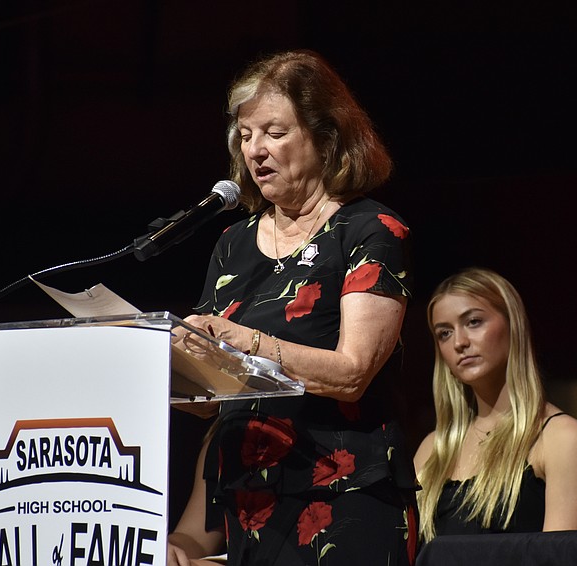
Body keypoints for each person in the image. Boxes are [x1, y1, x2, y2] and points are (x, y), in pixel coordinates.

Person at [167, 49, 419, 566]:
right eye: (245, 135)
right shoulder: (233, 245)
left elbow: (352, 375)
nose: (255, 150)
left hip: (342, 497)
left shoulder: (370, 231)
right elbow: (212, 400)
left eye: (274, 133)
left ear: (326, 138)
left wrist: (244, 341)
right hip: (248, 503)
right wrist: (172, 363)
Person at [413, 267, 577, 542]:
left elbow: (558, 558)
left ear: (513, 324)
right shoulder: (434, 448)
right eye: (444, 333)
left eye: (474, 322)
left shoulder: (562, 440)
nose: (459, 342)